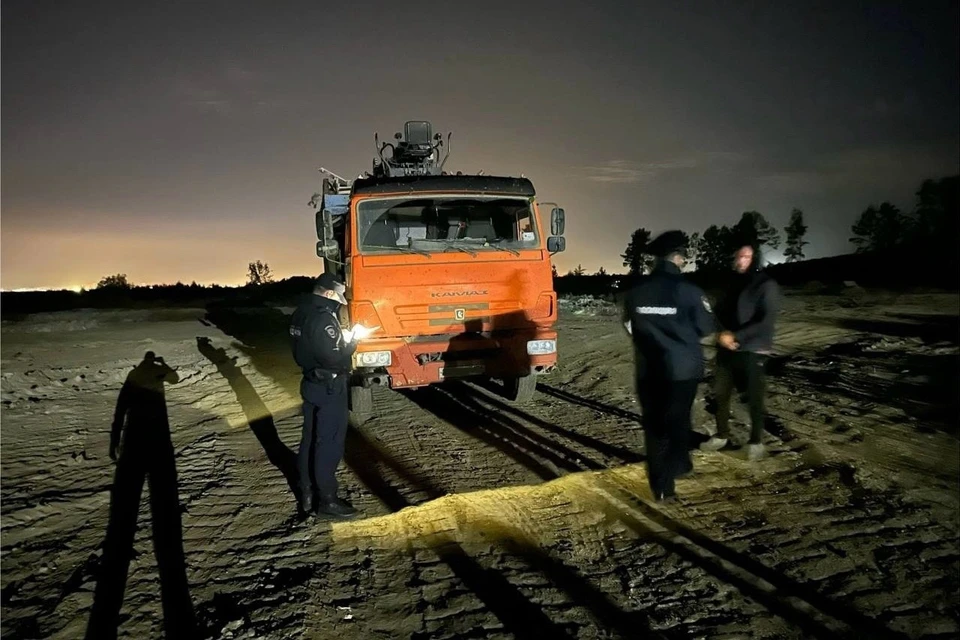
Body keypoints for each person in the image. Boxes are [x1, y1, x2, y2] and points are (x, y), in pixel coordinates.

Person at [622, 231, 716, 501]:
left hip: (648, 370)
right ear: (678, 258)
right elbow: (706, 328)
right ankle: (679, 464)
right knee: (678, 419)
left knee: (654, 426)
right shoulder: (688, 291)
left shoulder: (635, 291)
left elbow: (629, 325)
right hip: (681, 370)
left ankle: (662, 487)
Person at [700, 243, 780, 461]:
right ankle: (722, 435)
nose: (740, 260)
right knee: (721, 394)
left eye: (746, 256)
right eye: (738, 256)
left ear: (755, 259)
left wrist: (736, 337)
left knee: (753, 397)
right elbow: (719, 314)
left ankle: (756, 442)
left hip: (754, 349)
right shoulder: (731, 284)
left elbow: (765, 321)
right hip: (726, 350)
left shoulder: (766, 285)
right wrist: (719, 334)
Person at [290, 272, 359, 518]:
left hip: (309, 381)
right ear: (329, 293)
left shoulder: (300, 312)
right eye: (339, 295)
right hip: (329, 385)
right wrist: (352, 344)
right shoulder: (323, 317)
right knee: (328, 442)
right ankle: (327, 501)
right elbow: (333, 356)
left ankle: (307, 494)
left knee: (309, 440)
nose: (341, 300)